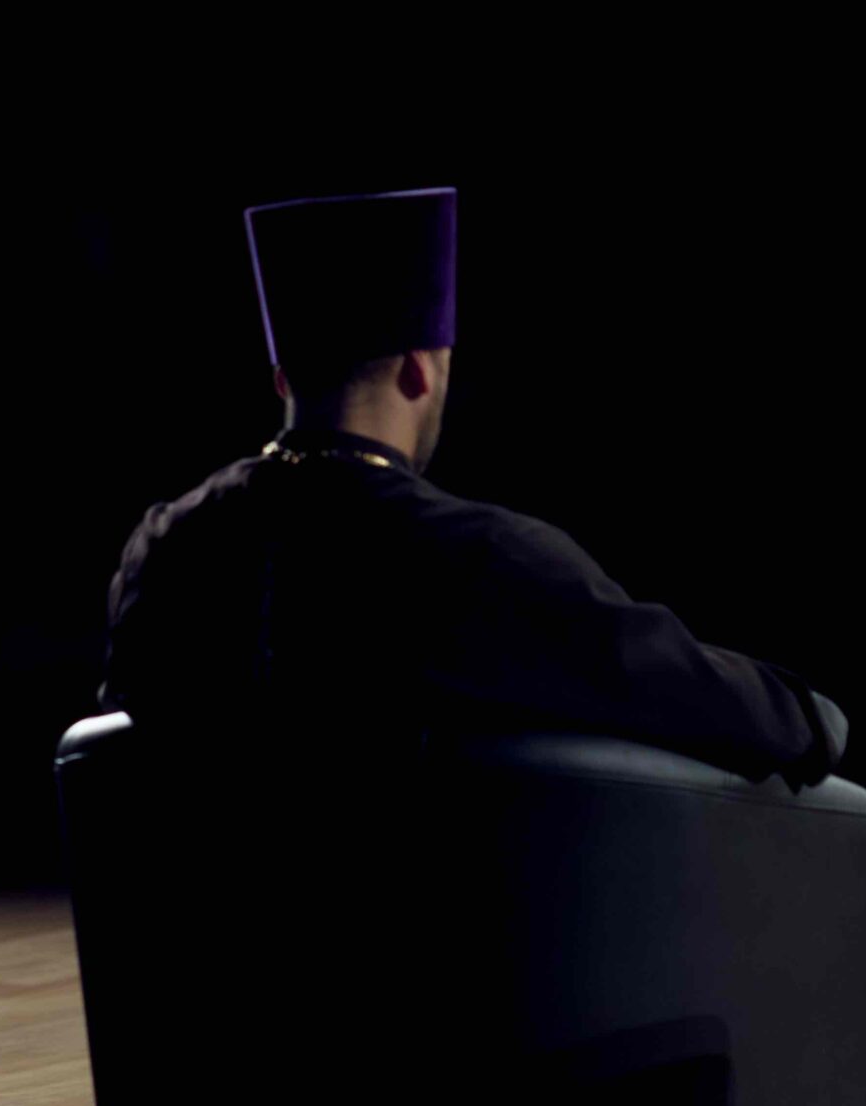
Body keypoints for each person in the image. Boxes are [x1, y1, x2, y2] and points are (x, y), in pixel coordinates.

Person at [101, 187, 848, 785]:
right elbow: (754, 718)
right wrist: (814, 715)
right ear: (418, 372)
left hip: (200, 927)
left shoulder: (163, 548)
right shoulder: (476, 559)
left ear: (282, 378)